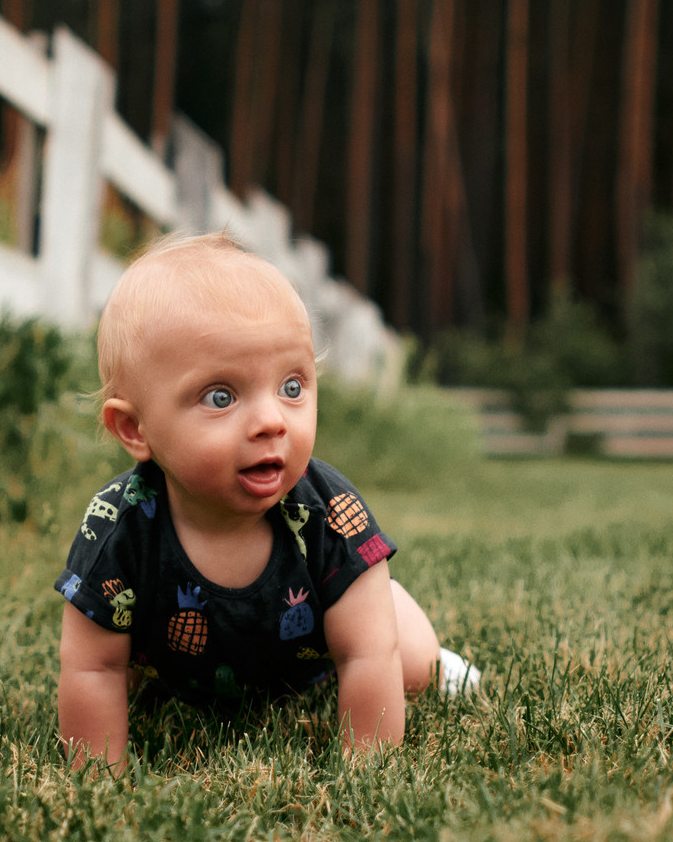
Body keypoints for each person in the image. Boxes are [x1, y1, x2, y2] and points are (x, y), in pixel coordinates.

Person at [54, 232, 478, 770]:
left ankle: (404, 623)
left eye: (293, 387)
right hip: (181, 661)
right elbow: (93, 669)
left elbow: (368, 655)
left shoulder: (329, 516)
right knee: (126, 673)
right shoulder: (118, 528)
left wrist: (366, 773)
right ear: (135, 428)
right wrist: (96, 779)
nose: (273, 420)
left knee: (405, 660)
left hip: (312, 653)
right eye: (221, 397)